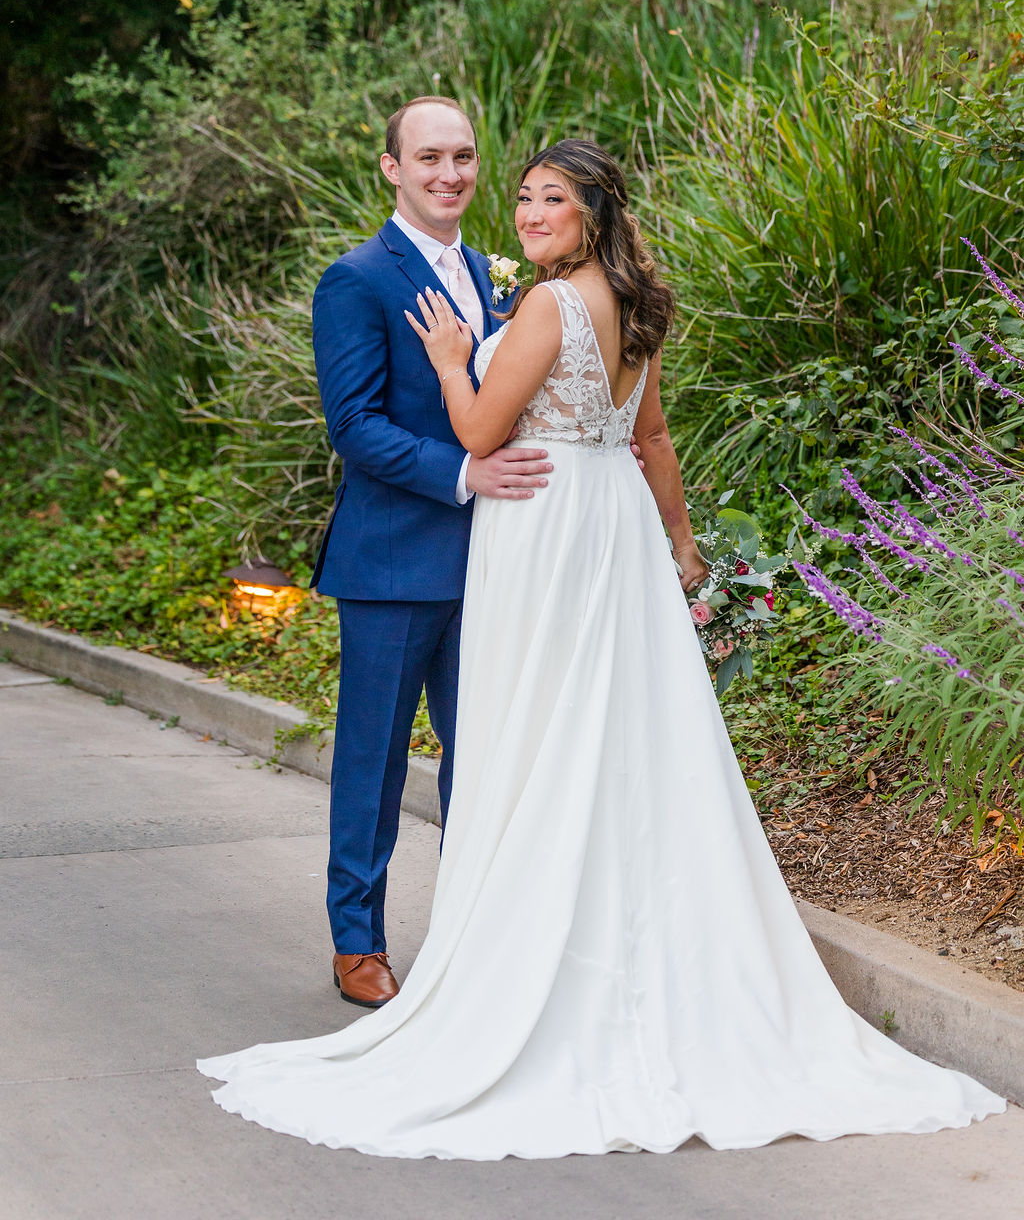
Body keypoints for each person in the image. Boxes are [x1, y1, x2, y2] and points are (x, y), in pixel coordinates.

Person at [200, 140, 1003, 1156]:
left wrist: (454, 365)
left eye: (551, 199)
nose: (529, 212)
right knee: (619, 734)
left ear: (591, 211)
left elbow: (484, 433)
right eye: (524, 196)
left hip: (545, 530)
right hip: (615, 528)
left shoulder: (543, 306)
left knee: (540, 734)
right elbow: (652, 438)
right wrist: (682, 547)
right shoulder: (638, 303)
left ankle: (531, 953)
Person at [307, 95, 551, 1009]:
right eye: (429, 158)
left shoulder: (499, 277)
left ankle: (470, 932)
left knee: (481, 754)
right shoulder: (358, 278)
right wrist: (466, 475)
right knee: (372, 759)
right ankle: (356, 942)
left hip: (493, 563)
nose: (449, 174)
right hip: (393, 562)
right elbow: (355, 427)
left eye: (463, 157)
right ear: (392, 169)